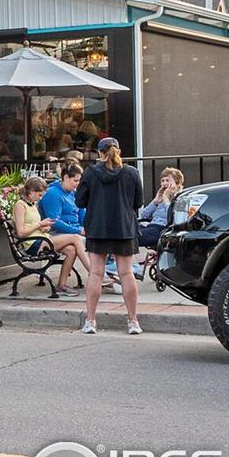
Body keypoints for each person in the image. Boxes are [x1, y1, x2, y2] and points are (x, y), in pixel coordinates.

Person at [76, 137, 145, 335]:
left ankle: (90, 321)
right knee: (126, 273)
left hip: (98, 227)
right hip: (124, 227)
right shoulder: (132, 173)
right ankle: (133, 321)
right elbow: (138, 202)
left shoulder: (90, 173)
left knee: (96, 273)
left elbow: (80, 201)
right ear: (118, 151)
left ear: (100, 153)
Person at [13, 175, 85, 298]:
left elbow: (32, 226)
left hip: (42, 239)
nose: (40, 198)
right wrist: (39, 224)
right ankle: (96, 274)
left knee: (71, 250)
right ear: (31, 192)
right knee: (75, 237)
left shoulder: (32, 204)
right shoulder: (20, 205)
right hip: (33, 244)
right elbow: (21, 232)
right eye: (39, 195)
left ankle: (61, 285)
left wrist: (43, 227)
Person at [133, 167, 184, 275]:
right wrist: (156, 201)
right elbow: (144, 214)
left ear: (177, 183)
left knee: (131, 236)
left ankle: (133, 266)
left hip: (163, 229)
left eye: (168, 180)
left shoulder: (180, 198)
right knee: (126, 229)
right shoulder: (161, 197)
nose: (164, 183)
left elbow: (173, 217)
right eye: (162, 180)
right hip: (151, 225)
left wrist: (166, 199)